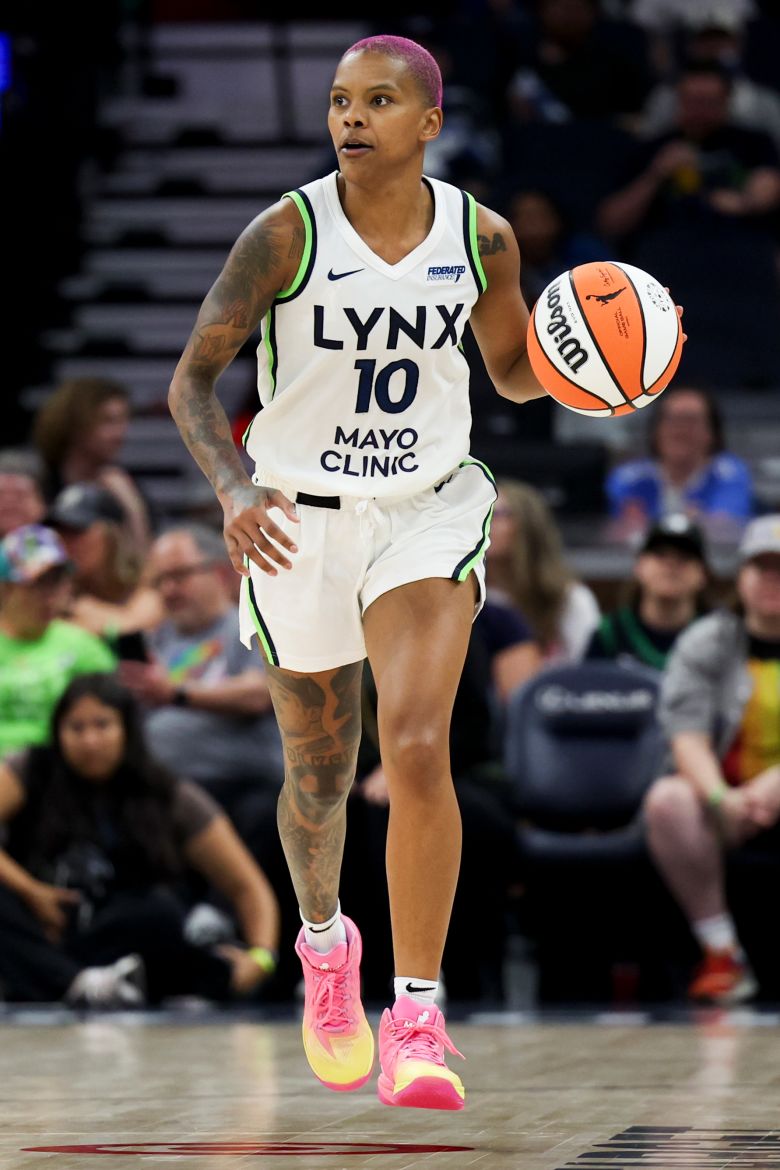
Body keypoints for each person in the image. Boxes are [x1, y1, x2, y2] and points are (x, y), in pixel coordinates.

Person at [166, 32, 573, 1111]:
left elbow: (514, 372)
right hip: (295, 518)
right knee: (319, 777)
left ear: (430, 122)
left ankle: (420, 1017)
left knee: (418, 741)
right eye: (341, 100)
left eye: (378, 100)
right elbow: (194, 384)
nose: (351, 117)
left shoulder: (481, 238)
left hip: (425, 508)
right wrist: (233, 490)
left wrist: (594, 373)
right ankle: (324, 946)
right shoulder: (283, 233)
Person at [0, 673, 280, 1006]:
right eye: (76, 728)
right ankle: (75, 982)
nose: (90, 740)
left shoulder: (167, 794)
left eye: (102, 725)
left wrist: (261, 958)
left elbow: (248, 886)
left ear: (127, 731)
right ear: (58, 733)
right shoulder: (31, 769)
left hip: (124, 934)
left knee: (159, 912)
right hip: (47, 928)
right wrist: (32, 893)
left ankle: (80, 983)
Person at [643, 515, 780, 1004]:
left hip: (771, 794)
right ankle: (723, 952)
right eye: (761, 568)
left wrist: (771, 789)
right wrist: (725, 798)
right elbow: (687, 736)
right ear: (740, 577)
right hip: (730, 804)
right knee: (668, 799)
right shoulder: (708, 640)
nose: (771, 581)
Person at [120, 524, 284, 833]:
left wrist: (176, 694)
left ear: (221, 575)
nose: (168, 589)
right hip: (163, 790)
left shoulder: (249, 628)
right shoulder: (157, 641)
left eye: (179, 576)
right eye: (160, 581)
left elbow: (260, 693)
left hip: (239, 786)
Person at [0, 525, 116, 760]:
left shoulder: (84, 646)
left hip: (62, 772)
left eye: (57, 582)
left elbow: (113, 716)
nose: (50, 595)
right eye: (38, 584)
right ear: (6, 589)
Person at [605, 385, 753, 542]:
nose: (680, 430)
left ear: (712, 432)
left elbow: (725, 531)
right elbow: (621, 535)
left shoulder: (728, 474)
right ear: (655, 430)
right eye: (671, 419)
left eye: (691, 420)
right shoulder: (630, 478)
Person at [486, 479, 600, 668]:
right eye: (481, 514)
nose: (485, 523)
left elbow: (588, 675)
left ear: (528, 525)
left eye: (496, 514)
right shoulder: (468, 598)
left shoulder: (570, 599)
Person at [32, 377, 151, 552]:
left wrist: (133, 509)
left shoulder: (126, 485)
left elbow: (143, 565)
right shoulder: (38, 484)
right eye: (108, 421)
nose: (120, 434)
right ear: (75, 424)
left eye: (123, 421)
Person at [47, 482, 163, 657]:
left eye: (77, 530)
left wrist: (79, 608)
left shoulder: (148, 581)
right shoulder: (49, 587)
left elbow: (136, 632)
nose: (67, 542)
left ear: (113, 536)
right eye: (61, 531)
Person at [586, 513, 711, 671]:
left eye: (684, 557)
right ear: (639, 566)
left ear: (703, 573)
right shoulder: (609, 633)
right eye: (660, 554)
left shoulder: (720, 637)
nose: (670, 564)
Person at [0, 449, 47, 538]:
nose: (9, 502)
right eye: (1, 495)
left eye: (20, 495)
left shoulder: (63, 546)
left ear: (42, 504)